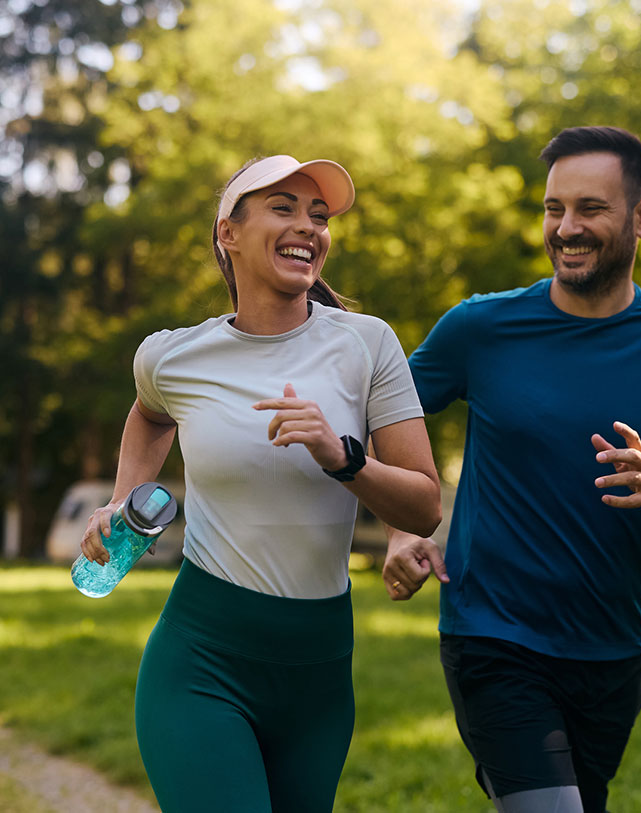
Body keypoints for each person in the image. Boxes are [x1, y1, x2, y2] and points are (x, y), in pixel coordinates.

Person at [382, 126, 641, 813]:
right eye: (554, 209)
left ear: (640, 215)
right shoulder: (480, 328)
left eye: (589, 209)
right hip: (493, 637)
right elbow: (383, 418)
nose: (566, 228)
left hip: (610, 651)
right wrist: (403, 527)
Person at [80, 153, 441, 813]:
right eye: (284, 207)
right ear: (229, 233)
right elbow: (149, 412)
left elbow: (422, 504)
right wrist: (120, 496)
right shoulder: (173, 355)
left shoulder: (367, 345)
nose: (309, 226)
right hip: (202, 661)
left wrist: (343, 457)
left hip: (318, 675)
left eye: (319, 215)